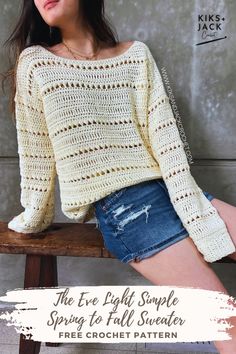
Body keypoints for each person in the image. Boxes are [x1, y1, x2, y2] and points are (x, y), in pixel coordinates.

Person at [1, 1, 236, 352]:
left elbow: (167, 140)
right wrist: (33, 218)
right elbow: (36, 154)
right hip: (125, 212)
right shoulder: (36, 64)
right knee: (224, 316)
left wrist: (191, 203)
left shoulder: (136, 56)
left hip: (175, 191)